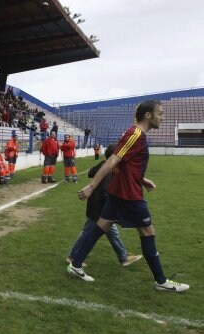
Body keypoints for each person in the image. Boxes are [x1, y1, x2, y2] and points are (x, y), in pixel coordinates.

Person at [69, 100, 189, 292]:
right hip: (128, 194)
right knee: (148, 231)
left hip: (120, 190)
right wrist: (92, 186)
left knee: (102, 225)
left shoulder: (136, 134)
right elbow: (112, 161)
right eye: (160, 113)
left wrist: (142, 179)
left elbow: (126, 164)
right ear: (148, 115)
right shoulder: (135, 134)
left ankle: (75, 264)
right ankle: (161, 281)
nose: (163, 117)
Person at [66, 144, 143, 267]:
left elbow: (92, 172)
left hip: (99, 207)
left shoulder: (104, 166)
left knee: (112, 233)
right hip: (100, 209)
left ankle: (123, 257)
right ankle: (72, 257)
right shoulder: (108, 171)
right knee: (88, 232)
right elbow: (105, 192)